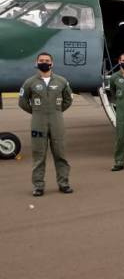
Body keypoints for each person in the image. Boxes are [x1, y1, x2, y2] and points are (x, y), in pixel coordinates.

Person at [18, 52, 74, 196]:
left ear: (52, 63)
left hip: (57, 121)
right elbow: (22, 101)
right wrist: (37, 112)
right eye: (41, 60)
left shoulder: (61, 81)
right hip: (38, 122)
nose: (44, 62)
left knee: (60, 154)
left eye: (47, 60)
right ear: (36, 63)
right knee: (38, 156)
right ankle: (38, 186)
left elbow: (68, 100)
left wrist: (56, 111)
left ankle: (64, 183)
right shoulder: (30, 82)